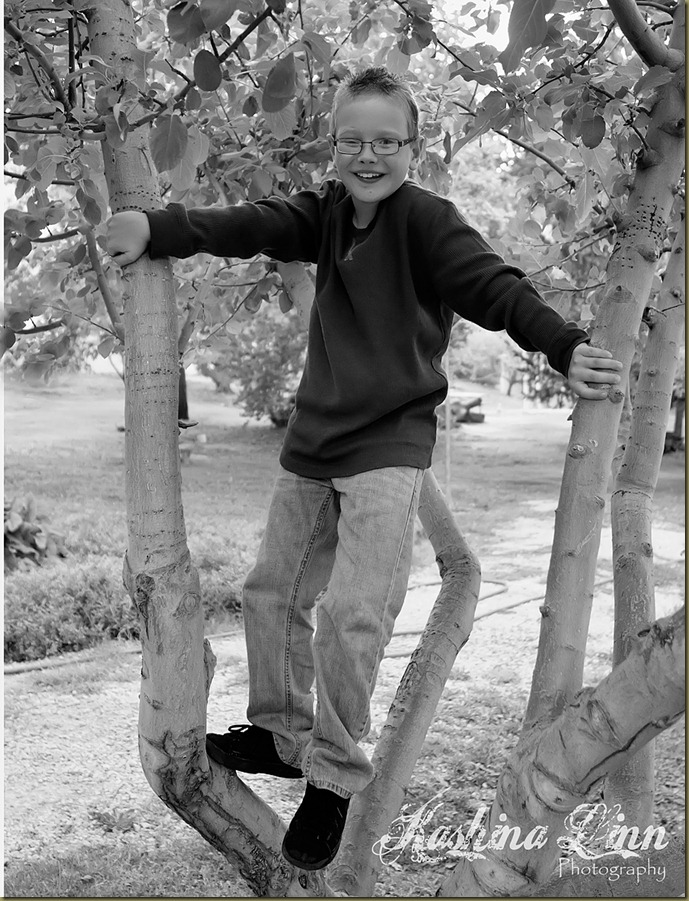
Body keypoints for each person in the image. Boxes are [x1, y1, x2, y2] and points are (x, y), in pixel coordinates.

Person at [106, 67, 623, 871]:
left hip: (390, 443)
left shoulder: (427, 222)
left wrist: (562, 344)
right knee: (271, 590)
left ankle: (333, 776)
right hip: (314, 440)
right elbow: (244, 222)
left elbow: (494, 287)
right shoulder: (323, 215)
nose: (368, 154)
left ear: (413, 149)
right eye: (352, 140)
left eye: (386, 141)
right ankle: (282, 735)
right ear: (333, 146)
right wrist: (153, 224)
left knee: (354, 611)